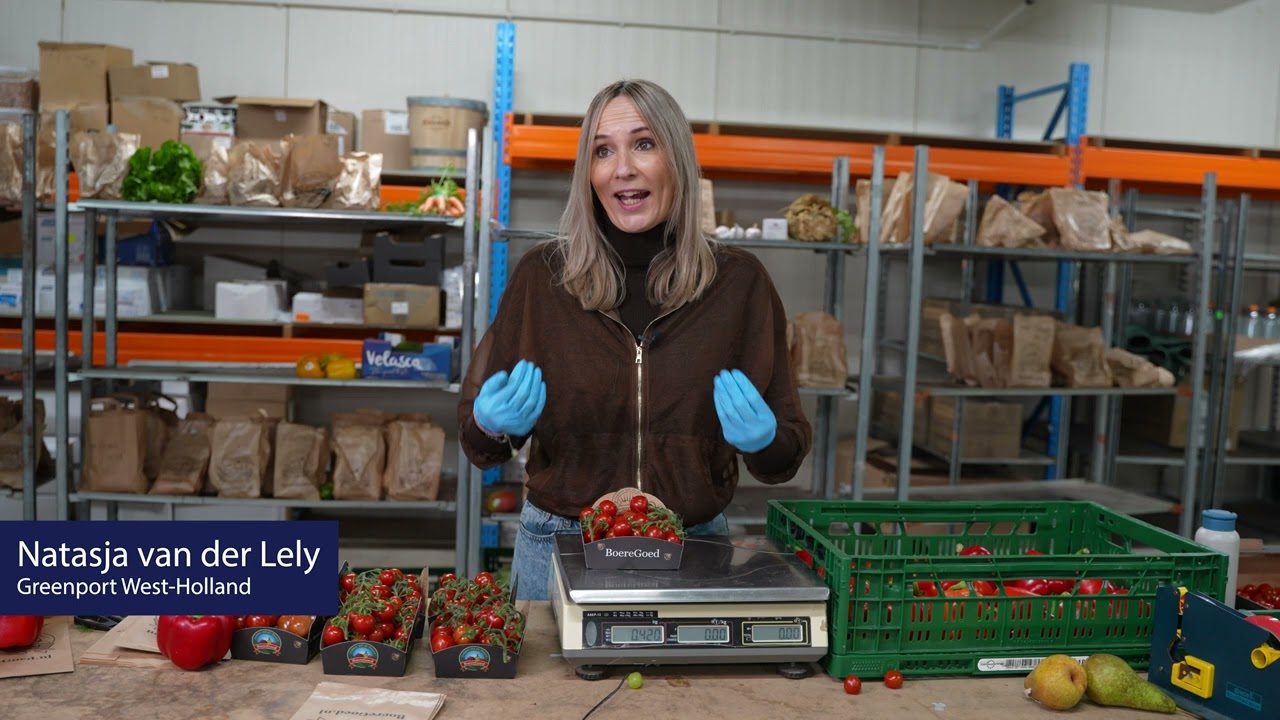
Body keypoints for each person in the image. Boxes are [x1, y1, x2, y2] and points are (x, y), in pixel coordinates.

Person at [458, 79, 812, 600]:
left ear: (678, 159)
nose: (622, 168)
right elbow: (478, 444)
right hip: (560, 545)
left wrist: (765, 441)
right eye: (603, 151)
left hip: (693, 546)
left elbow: (785, 453)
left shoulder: (738, 283)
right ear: (588, 173)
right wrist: (490, 424)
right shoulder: (543, 278)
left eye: (644, 144)